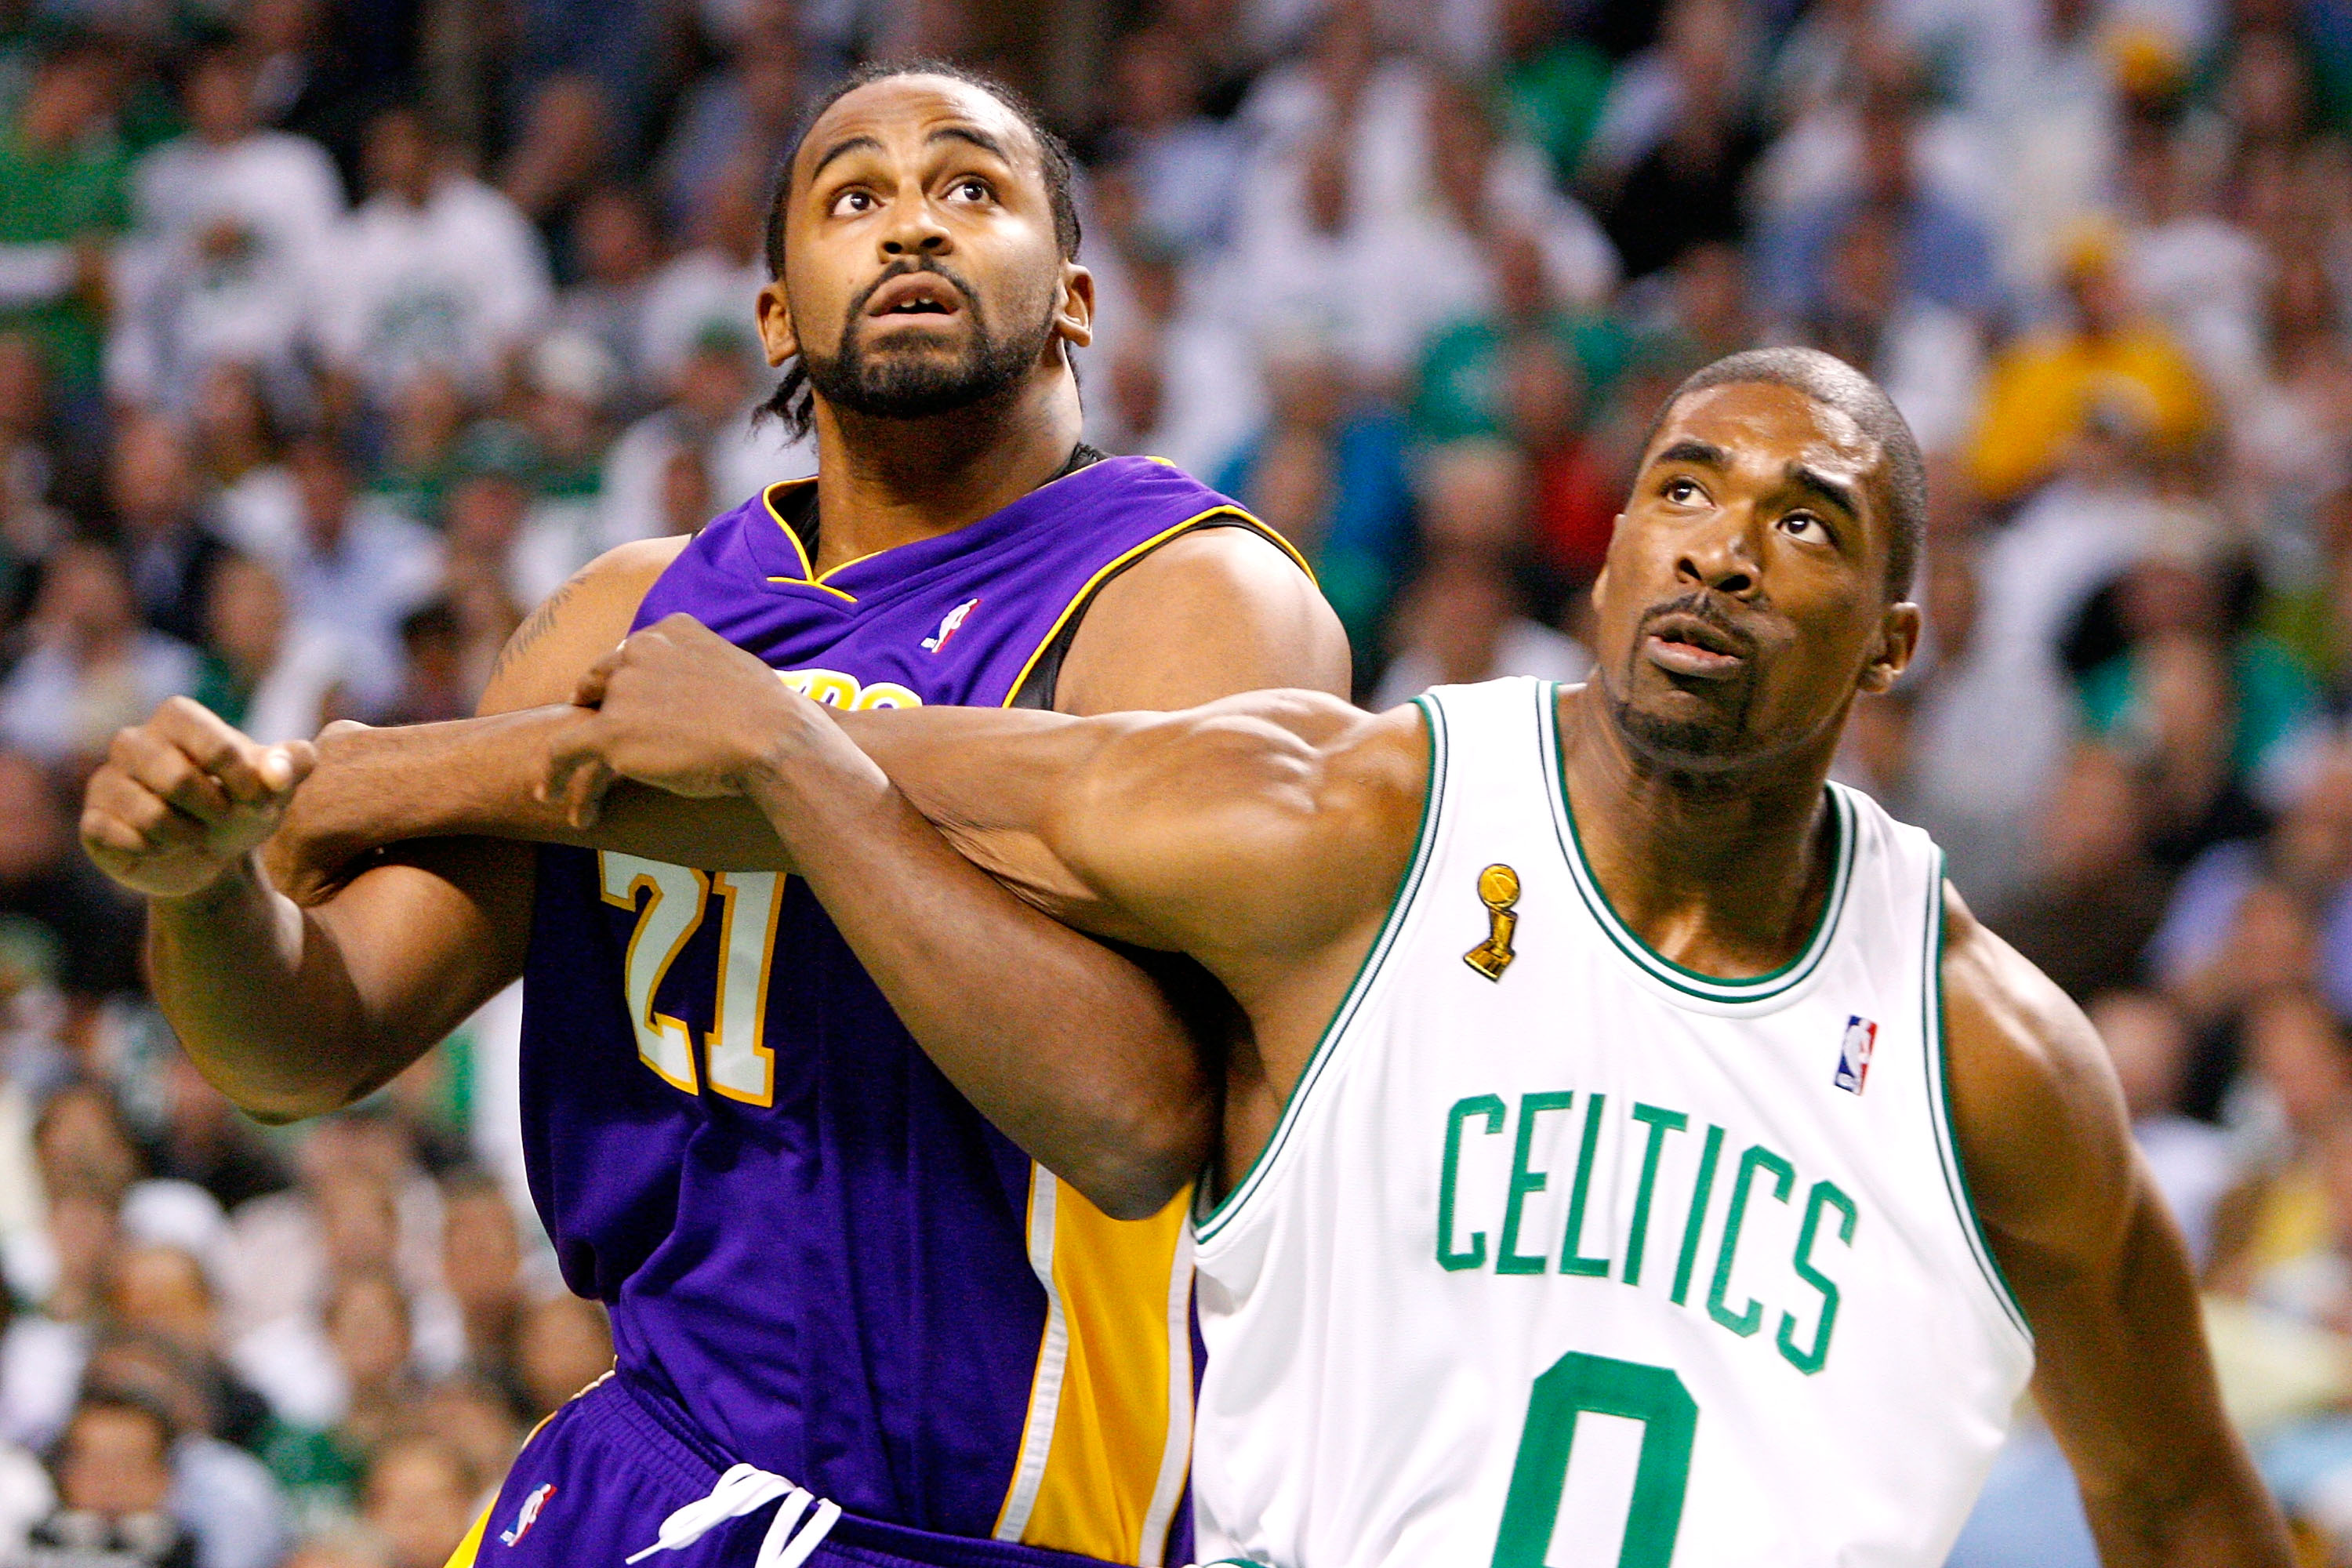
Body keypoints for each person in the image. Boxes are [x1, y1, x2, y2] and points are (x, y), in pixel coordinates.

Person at [234, 348, 2289, 1563]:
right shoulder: (1345, 826)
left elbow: (2194, 1524)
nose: (1729, 544)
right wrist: (380, 774)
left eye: (1814, 522)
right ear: (1608, 548)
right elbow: (825, 762)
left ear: (1903, 635)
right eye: (1686, 485)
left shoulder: (1991, 1065)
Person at [78, 61, 1345, 1568]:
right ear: (775, 316)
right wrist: (206, 887)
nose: (911, 229)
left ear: (1074, 299)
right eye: (853, 198)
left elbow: (1139, 1124)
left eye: (970, 188)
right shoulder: (623, 609)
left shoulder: (1193, 596)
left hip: (988, 1528)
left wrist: (789, 767)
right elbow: (306, 1042)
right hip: (643, 1478)